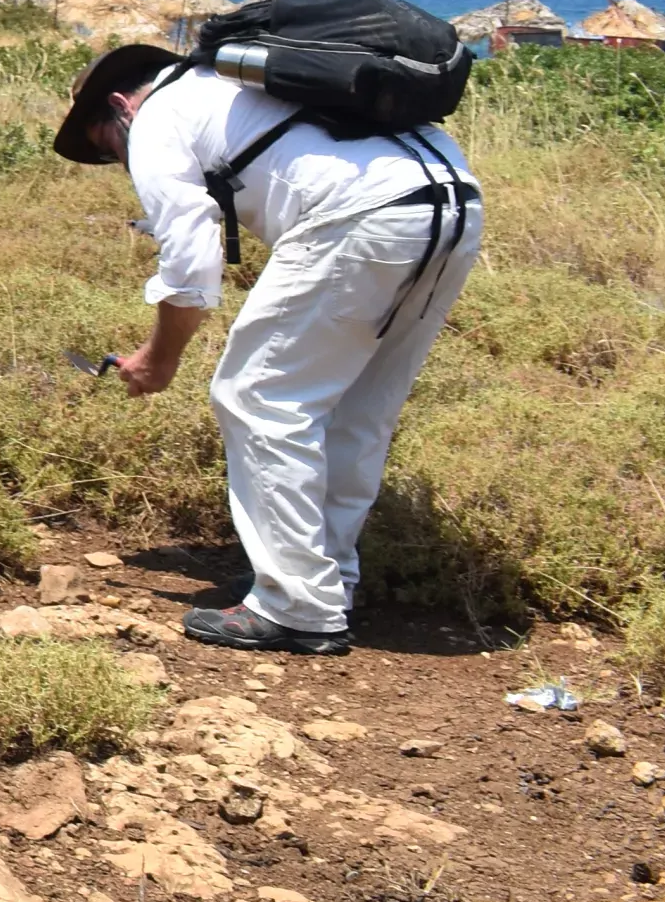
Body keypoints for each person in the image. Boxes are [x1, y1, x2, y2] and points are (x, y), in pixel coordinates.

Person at [56, 42, 481, 655]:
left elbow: (190, 261)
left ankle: (297, 605)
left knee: (256, 397)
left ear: (120, 105)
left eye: (104, 144)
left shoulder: (154, 120)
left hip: (361, 215)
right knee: (359, 406)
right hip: (454, 202)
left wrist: (158, 360)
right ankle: (325, 579)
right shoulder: (236, 85)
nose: (115, 159)